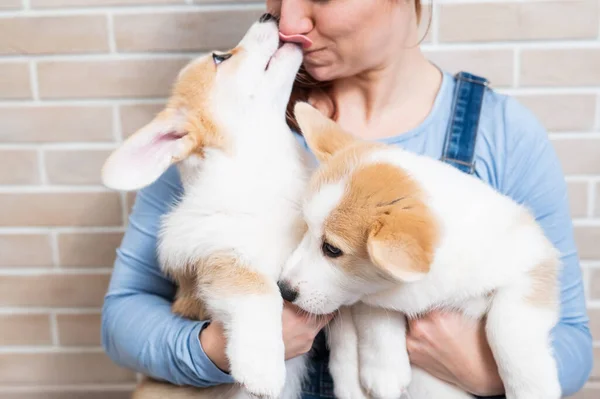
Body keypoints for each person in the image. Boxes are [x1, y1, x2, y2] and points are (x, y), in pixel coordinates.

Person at [101, 0, 593, 398]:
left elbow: (571, 344)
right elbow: (123, 316)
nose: (288, 20)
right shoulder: (235, 121)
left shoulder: (501, 134)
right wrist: (215, 351)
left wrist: (480, 371)